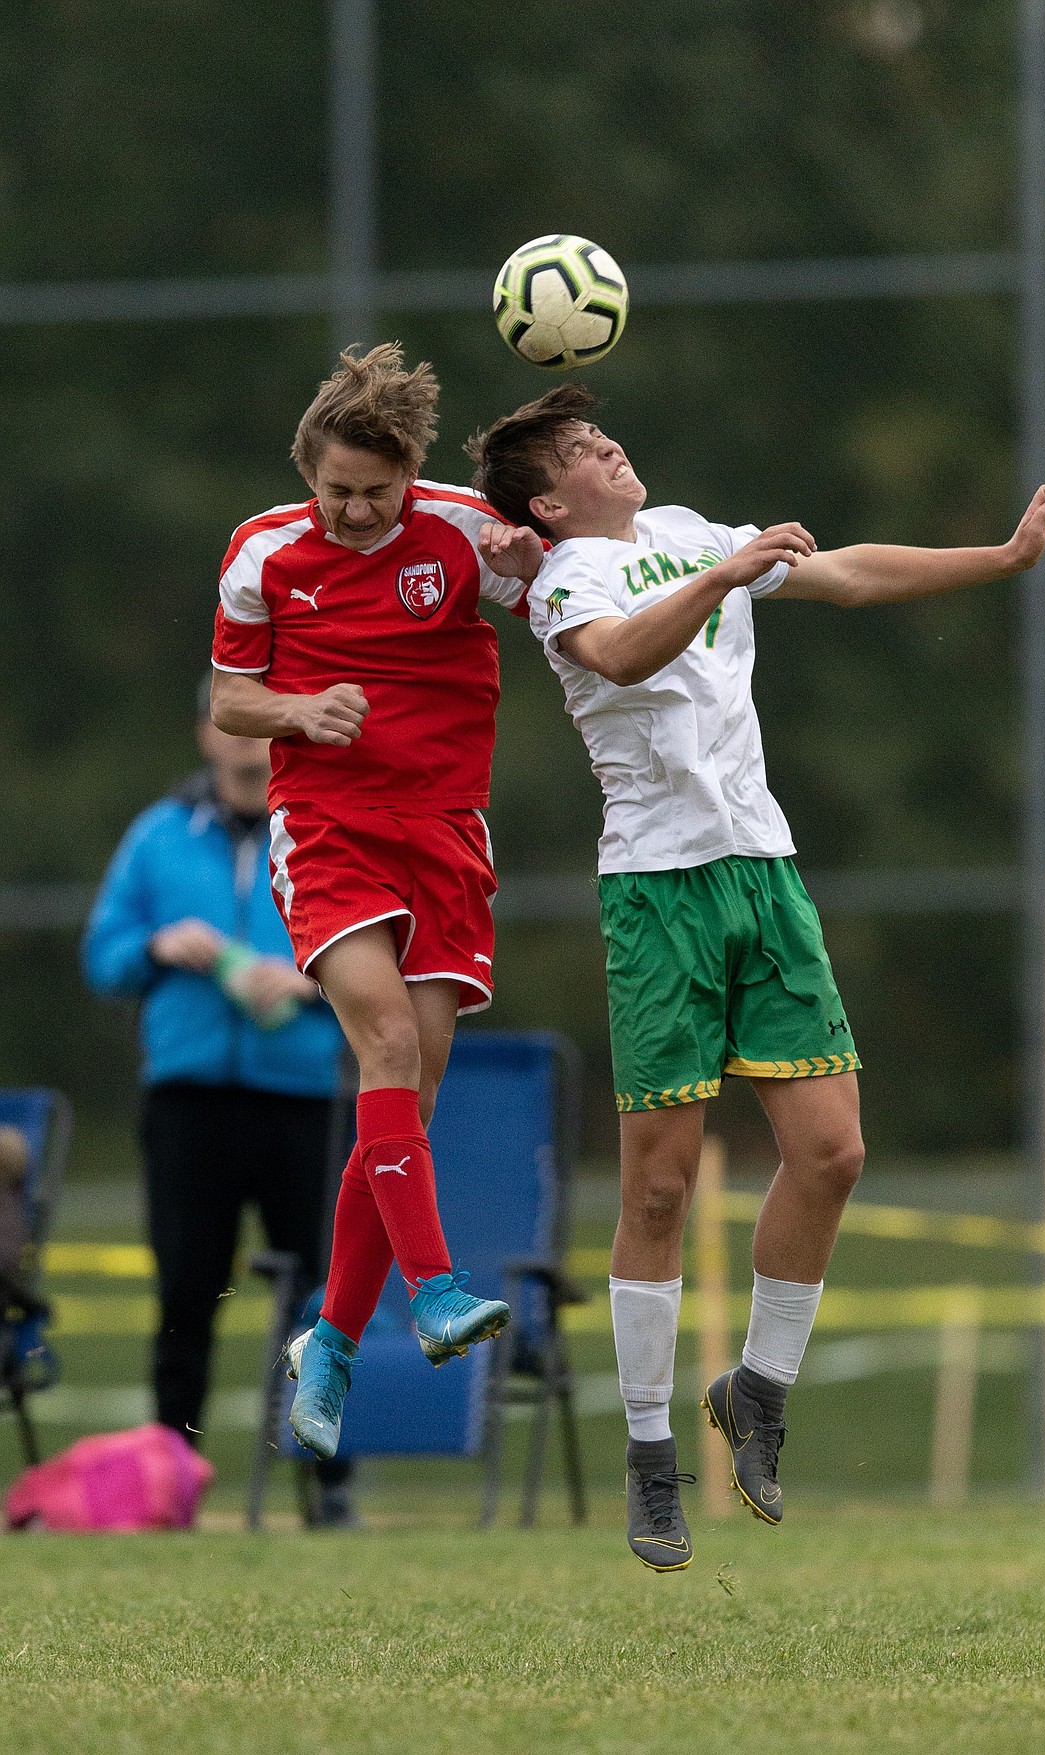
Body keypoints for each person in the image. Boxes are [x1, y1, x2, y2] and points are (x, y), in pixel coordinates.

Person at [468, 383, 1045, 1570]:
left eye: (604, 433)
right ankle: (651, 1460)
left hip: (764, 875)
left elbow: (846, 572)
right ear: (549, 500)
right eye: (585, 450)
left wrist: (1001, 557)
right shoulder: (565, 583)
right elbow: (625, 660)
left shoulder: (693, 532)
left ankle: (757, 1393)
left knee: (834, 1153)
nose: (610, 446)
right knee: (658, 1189)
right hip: (658, 894)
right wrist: (726, 576)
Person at [208, 342, 544, 1462]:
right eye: (337, 491)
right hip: (331, 830)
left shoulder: (458, 530)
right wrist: (300, 712)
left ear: (412, 478)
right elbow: (231, 700)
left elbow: (563, 599)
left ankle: (330, 1342)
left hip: (445, 831)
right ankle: (434, 1290)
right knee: (386, 1040)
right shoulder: (261, 552)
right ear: (310, 471)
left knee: (408, 1091)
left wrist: (529, 560)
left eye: (377, 493)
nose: (356, 511)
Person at [82, 677, 356, 1525]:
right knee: (185, 1293)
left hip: (302, 1099)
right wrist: (157, 943)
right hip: (188, 1101)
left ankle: (327, 1490)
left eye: (262, 722)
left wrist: (312, 983)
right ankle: (170, 1484)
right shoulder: (159, 836)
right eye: (227, 719)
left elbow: (382, 950)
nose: (243, 740)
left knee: (318, 1297)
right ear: (207, 733)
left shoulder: (326, 829)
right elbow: (104, 955)